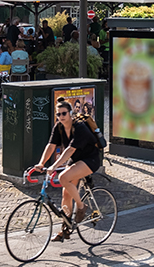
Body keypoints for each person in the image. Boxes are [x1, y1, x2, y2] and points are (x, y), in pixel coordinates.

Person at [31, 100, 103, 242]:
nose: (61, 116)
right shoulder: (59, 127)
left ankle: (82, 207)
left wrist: (54, 166)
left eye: (64, 113)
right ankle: (66, 229)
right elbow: (51, 146)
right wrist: (41, 163)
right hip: (76, 160)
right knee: (66, 194)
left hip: (90, 159)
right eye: (58, 114)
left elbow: (70, 150)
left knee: (63, 177)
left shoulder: (80, 127)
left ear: (70, 113)